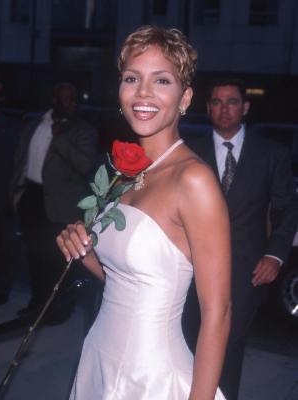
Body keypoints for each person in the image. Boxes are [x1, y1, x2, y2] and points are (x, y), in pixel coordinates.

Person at [57, 26, 231, 399]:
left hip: (151, 378)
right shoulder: (125, 172)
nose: (143, 92)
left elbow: (218, 313)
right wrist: (84, 250)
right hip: (98, 358)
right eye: (132, 78)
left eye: (162, 80)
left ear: (185, 97)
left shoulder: (193, 180)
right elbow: (126, 281)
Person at [184, 78, 298, 400]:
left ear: (245, 108)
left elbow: (288, 209)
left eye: (232, 102)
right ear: (207, 108)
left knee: (228, 347)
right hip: (190, 266)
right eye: (217, 102)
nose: (224, 109)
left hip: (245, 270)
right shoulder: (189, 149)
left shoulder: (271, 153)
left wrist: (275, 255)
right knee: (189, 340)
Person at [10, 82, 98, 324]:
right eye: (64, 99)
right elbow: (21, 159)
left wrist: (61, 139)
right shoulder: (35, 123)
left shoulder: (83, 131)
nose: (70, 103)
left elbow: (84, 165)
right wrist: (15, 191)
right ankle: (37, 304)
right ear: (54, 100)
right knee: (33, 255)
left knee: (57, 260)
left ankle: (59, 310)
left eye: (73, 99)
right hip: (31, 196)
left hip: (60, 204)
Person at [0, 80, 21, 305]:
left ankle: (1, 289)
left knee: (2, 249)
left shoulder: (13, 127)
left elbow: (20, 165)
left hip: (1, 199)